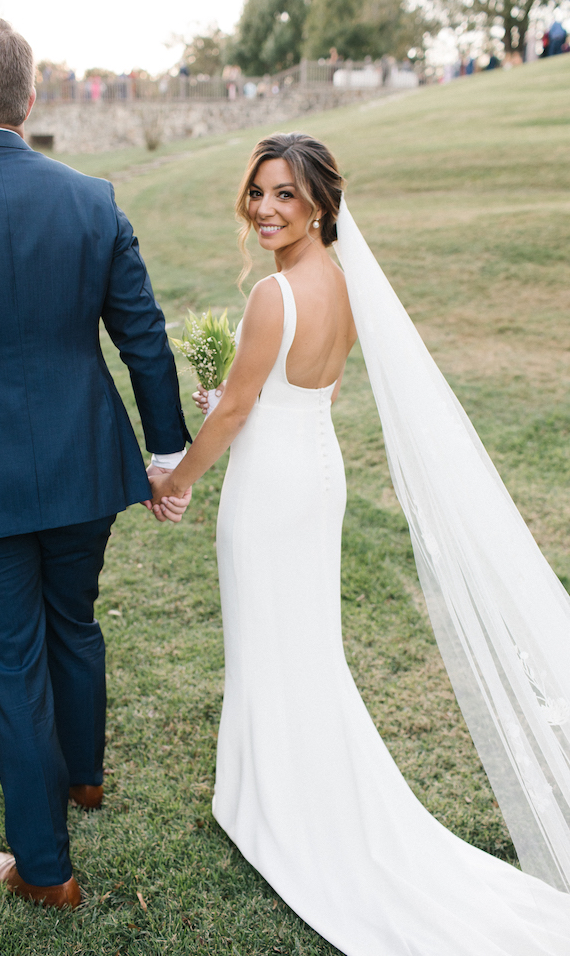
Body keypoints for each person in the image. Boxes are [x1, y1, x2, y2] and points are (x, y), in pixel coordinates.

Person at [149, 133, 570, 954]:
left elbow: (235, 413)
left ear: (318, 205)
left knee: (273, 643)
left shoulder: (275, 298)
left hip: (270, 490)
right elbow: (304, 387)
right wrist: (239, 391)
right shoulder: (340, 284)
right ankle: (274, 791)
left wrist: (178, 479)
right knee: (300, 644)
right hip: (315, 475)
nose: (266, 210)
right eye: (259, 193)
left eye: (285, 197)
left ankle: (275, 805)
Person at [0, 16, 191, 908]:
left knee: (11, 664)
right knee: (72, 621)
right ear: (31, 99)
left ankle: (44, 869)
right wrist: (165, 452)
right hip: (82, 463)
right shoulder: (92, 199)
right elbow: (143, 338)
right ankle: (85, 781)